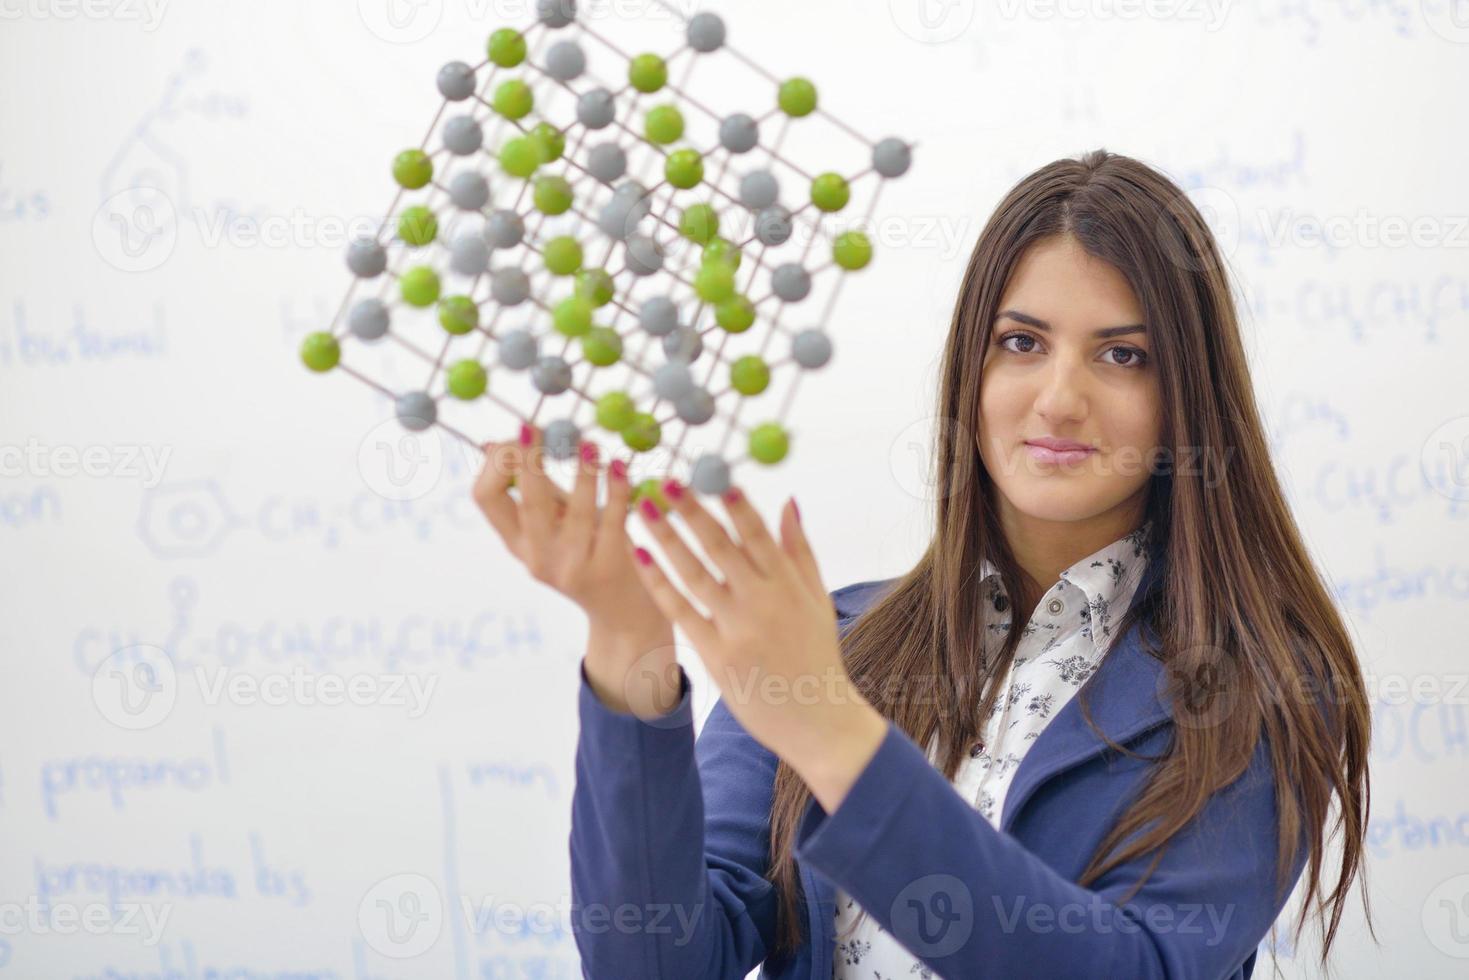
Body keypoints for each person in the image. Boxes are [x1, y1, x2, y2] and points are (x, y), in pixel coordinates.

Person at [471, 148, 1373, 979]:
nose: (1058, 399)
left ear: (1186, 399)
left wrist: (831, 732)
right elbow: (651, 965)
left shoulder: (1257, 686)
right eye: (1021, 342)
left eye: (1122, 355)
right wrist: (627, 636)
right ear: (969, 372)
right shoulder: (828, 641)